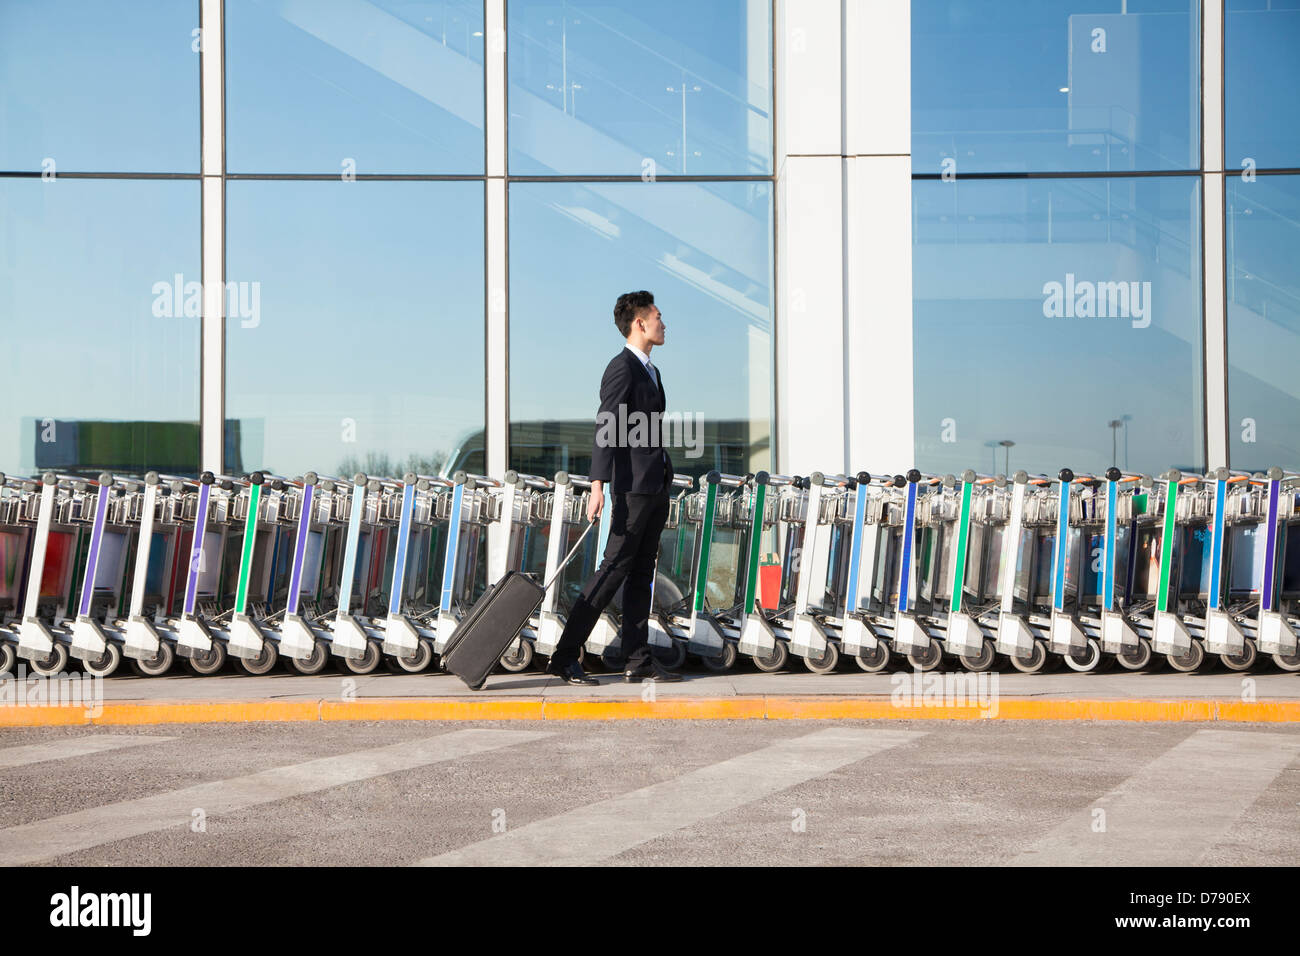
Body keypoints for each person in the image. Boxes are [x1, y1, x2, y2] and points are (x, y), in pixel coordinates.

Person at [544, 290, 684, 685]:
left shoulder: (651, 371)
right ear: (640, 323)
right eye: (658, 316)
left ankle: (637, 659)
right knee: (612, 572)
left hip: (654, 486)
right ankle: (565, 655)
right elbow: (606, 424)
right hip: (630, 489)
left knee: (643, 575)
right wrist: (597, 485)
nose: (663, 323)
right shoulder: (621, 367)